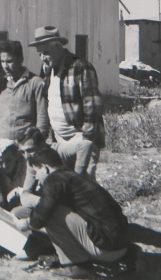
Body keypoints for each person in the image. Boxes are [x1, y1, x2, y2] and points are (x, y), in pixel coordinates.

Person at [17, 148, 134, 279]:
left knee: (52, 213)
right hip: (122, 245)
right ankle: (130, 255)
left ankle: (77, 265)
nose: (37, 177)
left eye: (36, 172)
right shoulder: (74, 176)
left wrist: (26, 223)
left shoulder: (54, 179)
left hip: (105, 249)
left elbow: (40, 218)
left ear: (45, 168)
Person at [29, 26, 104, 177]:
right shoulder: (47, 69)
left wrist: (86, 140)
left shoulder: (80, 66)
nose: (43, 58)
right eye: (40, 54)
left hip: (80, 138)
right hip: (58, 140)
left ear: (58, 47)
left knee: (83, 183)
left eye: (46, 53)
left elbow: (93, 106)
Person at [0, 40, 49, 147]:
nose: (5, 66)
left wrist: (38, 142)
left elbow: (42, 117)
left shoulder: (35, 83)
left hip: (25, 146)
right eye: (2, 62)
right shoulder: (0, 84)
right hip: (1, 145)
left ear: (20, 59)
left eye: (9, 61)